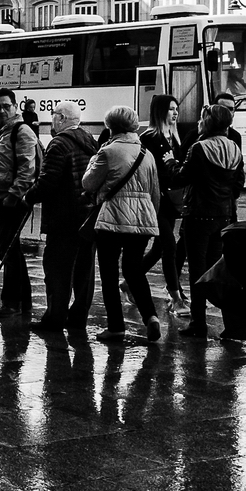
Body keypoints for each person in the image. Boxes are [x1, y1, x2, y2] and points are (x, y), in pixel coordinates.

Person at [78, 105, 162, 343]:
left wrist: (94, 160)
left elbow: (88, 183)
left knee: (109, 273)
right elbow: (155, 193)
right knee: (134, 271)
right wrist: (150, 218)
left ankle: (116, 327)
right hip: (143, 220)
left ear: (110, 126)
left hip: (112, 219)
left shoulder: (108, 151)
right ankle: (151, 318)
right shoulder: (147, 154)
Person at [167, 104, 245, 338]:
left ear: (208, 123)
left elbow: (181, 178)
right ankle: (231, 323)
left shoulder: (199, 148)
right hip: (223, 216)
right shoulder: (234, 148)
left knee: (198, 273)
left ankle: (198, 322)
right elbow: (238, 185)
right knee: (217, 272)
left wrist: (170, 162)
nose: (199, 123)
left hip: (198, 215)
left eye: (202, 119)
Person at [31, 101, 98, 329]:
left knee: (57, 269)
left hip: (63, 218)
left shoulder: (58, 144)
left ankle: (55, 317)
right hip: (87, 216)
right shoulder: (91, 141)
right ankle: (78, 317)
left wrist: (27, 198)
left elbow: (47, 182)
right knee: (84, 270)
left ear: (60, 119)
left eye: (53, 117)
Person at [0, 88, 41, 323]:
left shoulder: (22, 130)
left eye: (6, 106)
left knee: (9, 254)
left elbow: (28, 168)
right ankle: (23, 302)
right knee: (12, 252)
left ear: (16, 107)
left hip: (8, 200)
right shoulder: (1, 131)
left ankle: (11, 304)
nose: (1, 110)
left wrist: (13, 196)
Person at [138, 94, 191, 318]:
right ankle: (175, 296)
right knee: (169, 245)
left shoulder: (176, 137)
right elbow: (149, 170)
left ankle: (131, 280)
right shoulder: (149, 137)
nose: (175, 112)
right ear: (160, 112)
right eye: (171, 109)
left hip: (171, 201)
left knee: (160, 248)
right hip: (155, 199)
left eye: (176, 108)